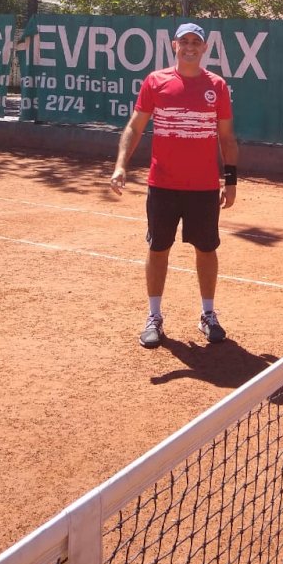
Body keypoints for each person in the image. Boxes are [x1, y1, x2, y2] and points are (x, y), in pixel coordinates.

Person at [110, 22, 238, 349]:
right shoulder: (156, 82)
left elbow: (226, 137)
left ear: (205, 48)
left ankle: (208, 315)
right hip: (163, 185)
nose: (190, 47)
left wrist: (231, 179)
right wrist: (120, 166)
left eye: (196, 42)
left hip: (204, 188)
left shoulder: (218, 87)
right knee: (158, 249)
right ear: (174, 45)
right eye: (185, 42)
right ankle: (154, 316)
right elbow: (135, 127)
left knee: (207, 250)